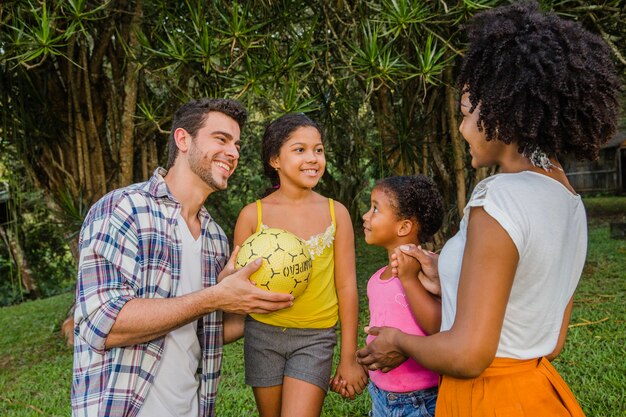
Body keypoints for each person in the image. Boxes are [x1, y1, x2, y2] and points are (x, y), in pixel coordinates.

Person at [356, 2, 620, 416]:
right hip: (536, 391)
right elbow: (546, 336)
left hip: (487, 397)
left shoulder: (498, 197)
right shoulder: (568, 201)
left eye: (465, 114)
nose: (462, 129)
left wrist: (398, 340)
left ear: (501, 111)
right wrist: (449, 273)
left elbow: (467, 354)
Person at [71, 98, 294, 417]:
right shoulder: (125, 210)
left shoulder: (216, 237)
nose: (233, 153)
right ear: (182, 139)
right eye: (221, 139)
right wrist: (215, 297)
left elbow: (210, 330)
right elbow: (102, 325)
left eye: (237, 145)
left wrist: (261, 301)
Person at [233, 113, 368, 417]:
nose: (313, 158)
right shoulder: (252, 216)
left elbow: (346, 286)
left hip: (315, 337)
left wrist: (349, 357)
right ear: (274, 160)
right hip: (262, 334)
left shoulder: (337, 213)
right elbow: (236, 287)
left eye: (318, 150)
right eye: (300, 150)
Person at [357, 176, 444, 417]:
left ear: (404, 227)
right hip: (380, 395)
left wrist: (408, 279)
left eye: (375, 209)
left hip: (421, 400)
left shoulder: (426, 270)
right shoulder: (376, 278)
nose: (366, 215)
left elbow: (437, 325)